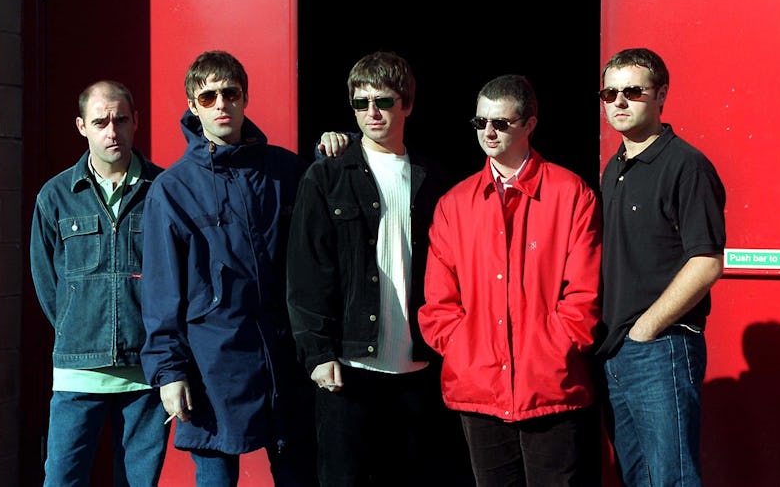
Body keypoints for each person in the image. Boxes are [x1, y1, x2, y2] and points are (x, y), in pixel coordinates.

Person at [287, 50, 472, 487]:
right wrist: (317, 353)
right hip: (348, 367)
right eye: (360, 102)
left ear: (406, 104)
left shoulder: (435, 179)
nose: (372, 112)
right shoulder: (326, 175)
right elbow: (306, 272)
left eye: (383, 101)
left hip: (418, 367)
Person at [139, 50, 317, 486]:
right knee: (216, 477)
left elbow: (322, 240)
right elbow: (162, 289)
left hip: (283, 358)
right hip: (212, 362)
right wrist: (169, 372)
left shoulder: (285, 170)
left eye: (230, 93)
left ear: (244, 98)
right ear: (193, 105)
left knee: (299, 473)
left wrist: (336, 147)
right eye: (208, 96)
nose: (221, 104)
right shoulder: (173, 189)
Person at [418, 74, 603, 486]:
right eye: (480, 122)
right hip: (479, 384)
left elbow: (584, 292)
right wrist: (462, 348)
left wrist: (557, 348)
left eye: (501, 123)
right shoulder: (455, 203)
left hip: (550, 384)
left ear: (530, 124)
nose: (488, 132)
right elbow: (438, 300)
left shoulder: (571, 193)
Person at [29, 80, 169, 486]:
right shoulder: (55, 196)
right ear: (81, 126)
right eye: (100, 121)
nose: (112, 131)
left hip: (145, 371)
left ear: (135, 121)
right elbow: (46, 281)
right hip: (77, 371)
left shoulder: (162, 191)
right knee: (62, 479)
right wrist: (78, 327)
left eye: (121, 120)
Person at [597, 47, 726, 486]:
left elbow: (706, 261)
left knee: (670, 479)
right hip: (616, 351)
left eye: (632, 91)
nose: (618, 101)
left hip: (661, 349)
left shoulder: (686, 166)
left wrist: (646, 328)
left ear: (661, 95)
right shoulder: (613, 168)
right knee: (638, 477)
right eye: (609, 92)